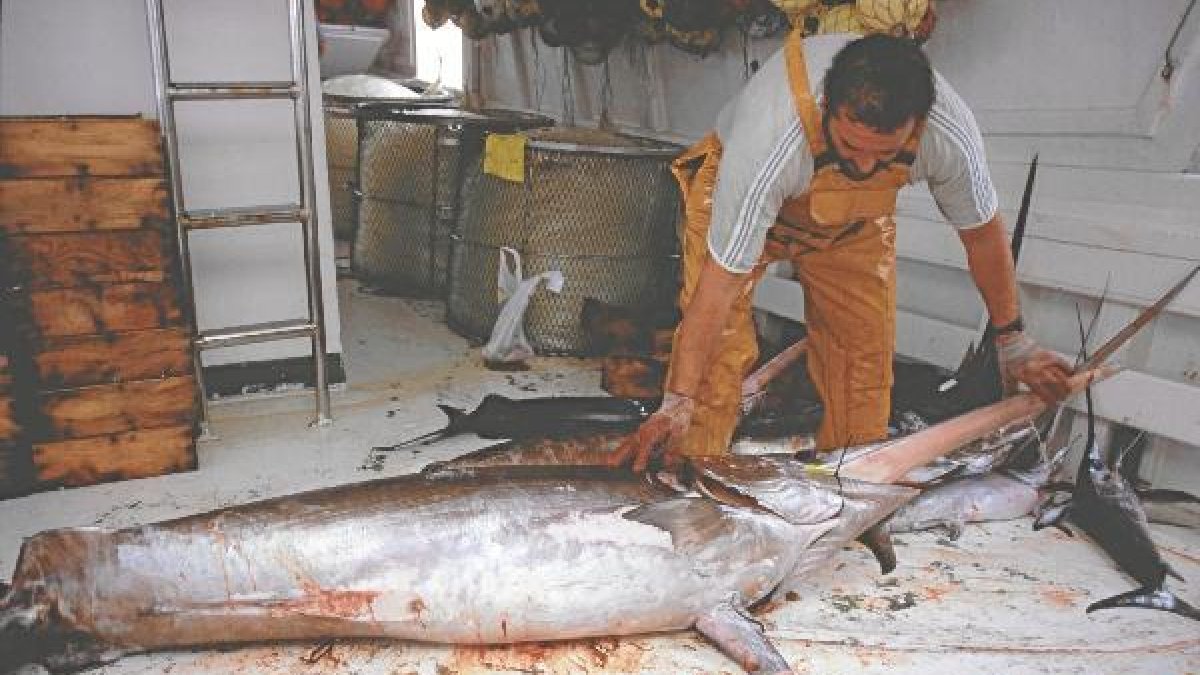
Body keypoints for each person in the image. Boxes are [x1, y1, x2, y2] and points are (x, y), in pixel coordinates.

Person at [612, 31, 1072, 472]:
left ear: (919, 124)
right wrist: (677, 400)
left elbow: (982, 236)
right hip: (742, 197)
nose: (865, 166)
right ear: (827, 108)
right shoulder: (769, 145)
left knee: (862, 370)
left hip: (853, 226)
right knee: (717, 365)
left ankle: (844, 494)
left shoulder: (950, 136)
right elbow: (716, 291)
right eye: (851, 146)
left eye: (886, 154)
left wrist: (1013, 339)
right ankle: (693, 489)